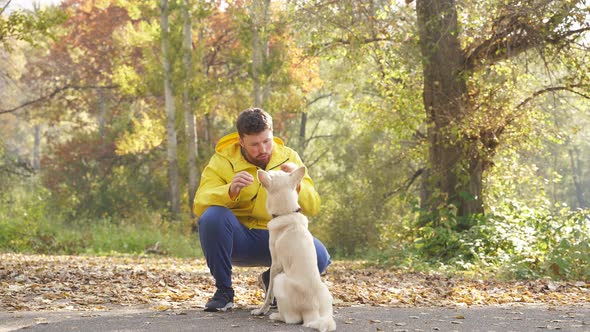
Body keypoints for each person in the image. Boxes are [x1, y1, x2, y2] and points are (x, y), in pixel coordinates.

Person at [193, 107, 331, 312]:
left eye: (267, 141)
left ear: (273, 133)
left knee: (319, 257)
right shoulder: (222, 160)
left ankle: (273, 282)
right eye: (254, 144)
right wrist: (229, 190)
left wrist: (297, 183)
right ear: (241, 141)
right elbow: (200, 203)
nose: (263, 149)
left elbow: (313, 206)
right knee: (212, 217)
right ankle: (224, 292)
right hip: (236, 238)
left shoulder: (289, 157)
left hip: (276, 237)